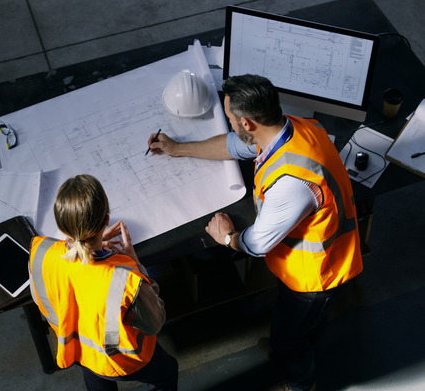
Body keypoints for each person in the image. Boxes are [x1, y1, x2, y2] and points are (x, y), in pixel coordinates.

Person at [147, 74, 363, 391]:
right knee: (304, 326)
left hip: (316, 278)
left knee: (289, 337)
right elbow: (235, 145)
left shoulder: (293, 183)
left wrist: (226, 236)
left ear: (248, 123)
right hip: (326, 260)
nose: (230, 125)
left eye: (231, 119)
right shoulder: (294, 128)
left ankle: (301, 383)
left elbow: (257, 244)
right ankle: (301, 342)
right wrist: (178, 149)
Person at [29, 174, 178, 391]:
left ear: (62, 227)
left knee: (99, 383)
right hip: (121, 362)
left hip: (80, 352)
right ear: (106, 219)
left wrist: (92, 245)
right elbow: (155, 323)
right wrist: (134, 262)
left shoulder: (42, 252)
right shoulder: (125, 280)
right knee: (166, 373)